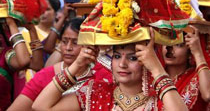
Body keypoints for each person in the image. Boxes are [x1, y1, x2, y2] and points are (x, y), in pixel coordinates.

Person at [32, 30, 188, 111]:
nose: (122, 64)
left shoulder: (159, 101)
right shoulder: (96, 94)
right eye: (117, 56)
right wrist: (76, 65)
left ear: (146, 62)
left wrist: (156, 67)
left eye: (133, 58)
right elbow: (40, 106)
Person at [8, 18, 112, 110]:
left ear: (89, 46)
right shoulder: (45, 75)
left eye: (75, 43)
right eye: (64, 41)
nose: (68, 48)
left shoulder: (103, 76)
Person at [162, 26, 210, 110]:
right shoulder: (151, 77)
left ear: (190, 51)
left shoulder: (198, 76)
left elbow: (209, 95)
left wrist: (198, 52)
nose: (170, 49)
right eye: (166, 42)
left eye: (178, 45)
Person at [22, 0, 61, 80]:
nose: (43, 13)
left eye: (47, 9)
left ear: (56, 12)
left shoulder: (61, 34)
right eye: (40, 9)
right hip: (31, 78)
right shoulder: (26, 32)